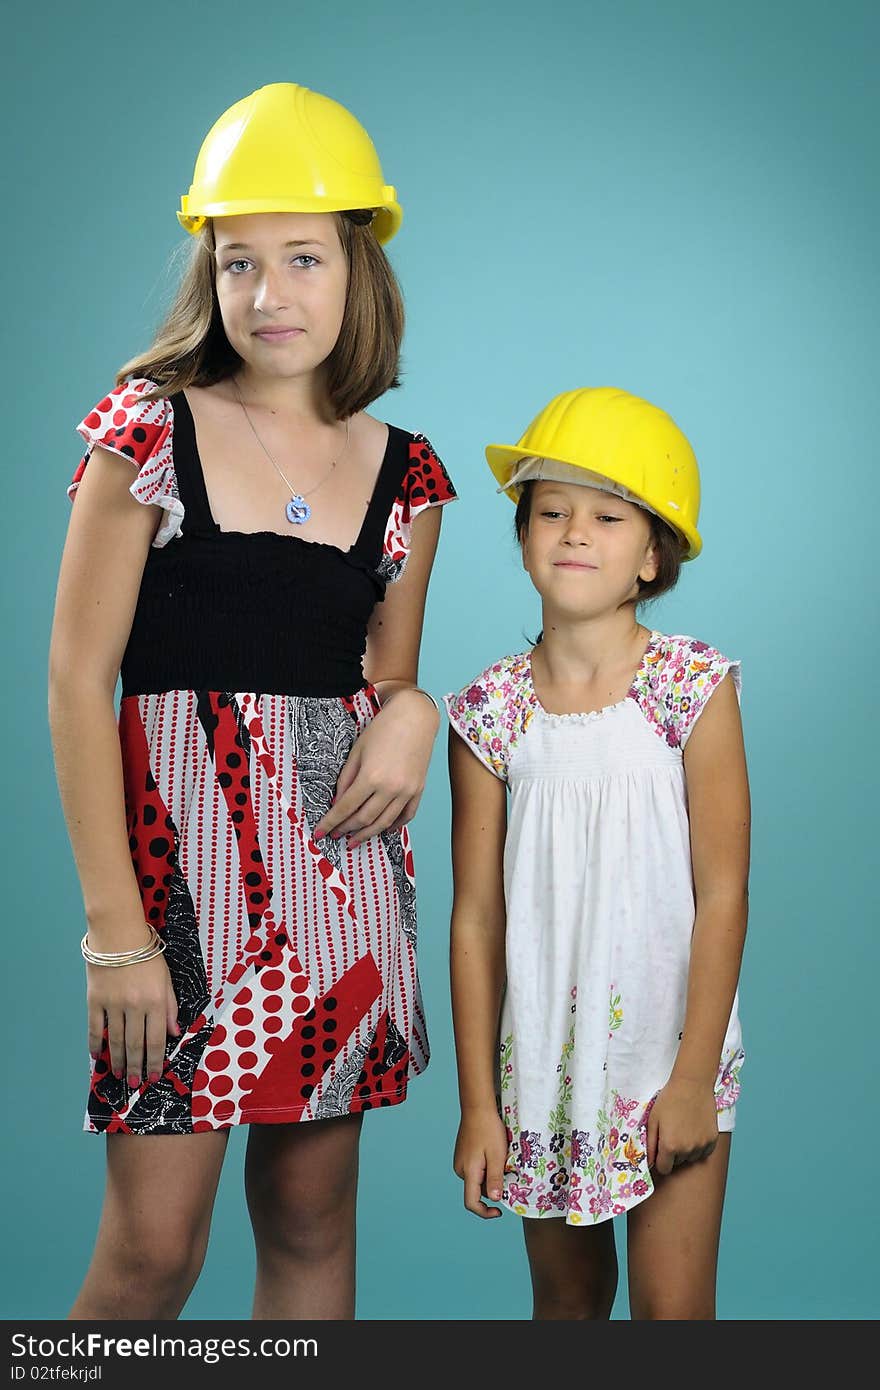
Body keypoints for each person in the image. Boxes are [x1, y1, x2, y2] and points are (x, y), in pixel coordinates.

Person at [49, 81, 456, 1321]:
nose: (270, 294)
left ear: (358, 266)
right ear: (207, 272)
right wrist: (116, 932)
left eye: (301, 258)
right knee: (152, 1253)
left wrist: (416, 708)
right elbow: (77, 678)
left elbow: (388, 674)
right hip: (175, 905)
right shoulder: (148, 434)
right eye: (239, 262)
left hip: (338, 895)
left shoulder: (409, 476)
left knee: (309, 1227)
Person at [444, 387, 749, 1320]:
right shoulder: (487, 712)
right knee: (567, 1309)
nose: (575, 531)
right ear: (525, 535)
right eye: (551, 511)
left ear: (653, 553)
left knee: (672, 1313)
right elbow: (476, 918)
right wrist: (478, 1107)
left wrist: (694, 1076)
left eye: (608, 515)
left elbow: (724, 887)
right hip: (537, 1067)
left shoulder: (692, 687)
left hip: (668, 1063)